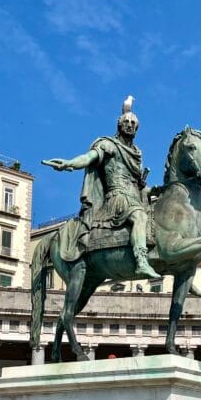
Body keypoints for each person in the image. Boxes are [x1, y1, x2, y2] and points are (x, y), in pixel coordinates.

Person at [43, 96, 160, 279]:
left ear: (137, 128)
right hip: (117, 198)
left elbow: (139, 186)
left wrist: (157, 190)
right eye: (126, 122)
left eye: (133, 123)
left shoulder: (137, 153)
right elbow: (89, 157)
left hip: (134, 197)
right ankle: (141, 261)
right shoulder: (108, 145)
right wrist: (69, 163)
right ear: (119, 125)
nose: (129, 125)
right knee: (139, 216)